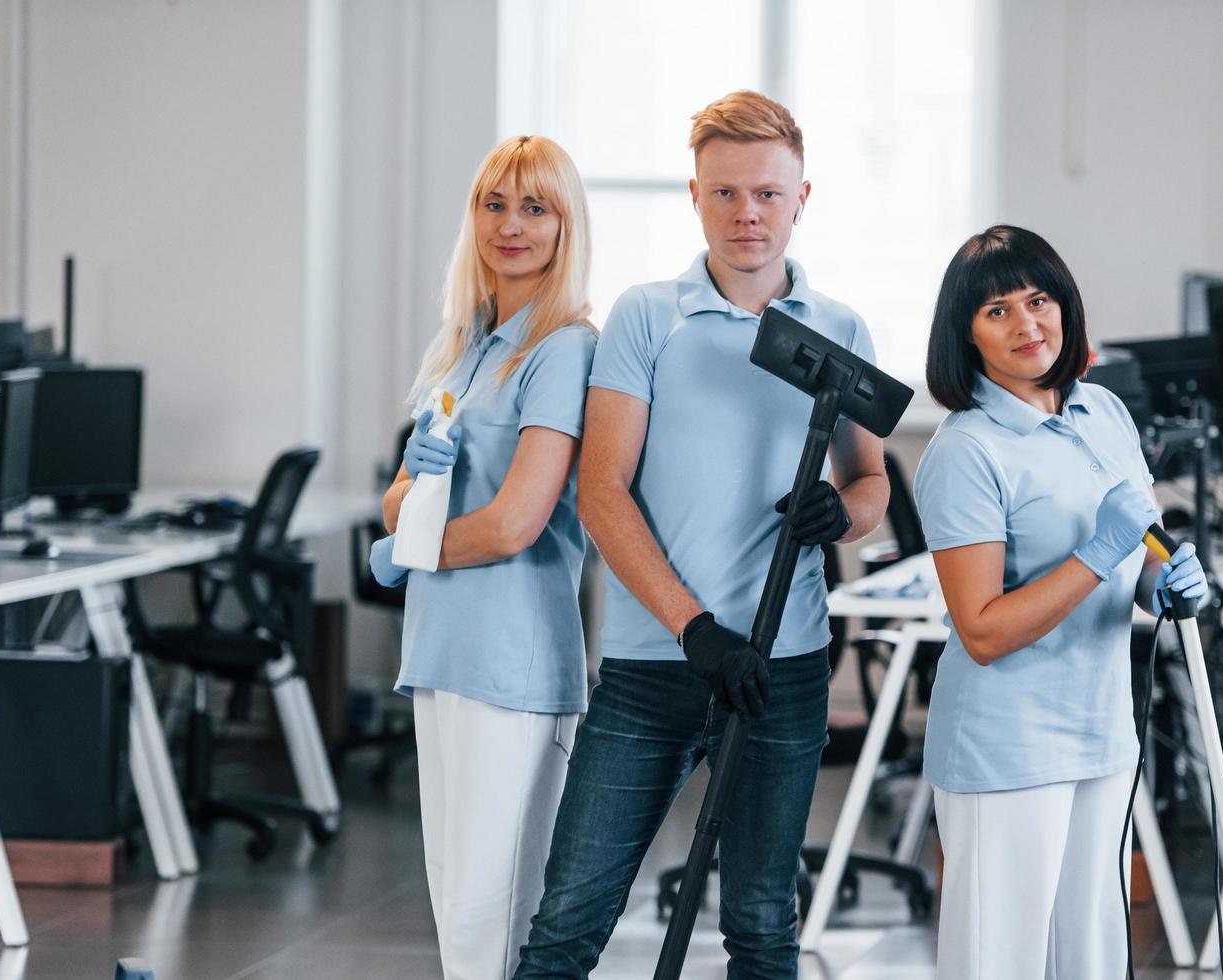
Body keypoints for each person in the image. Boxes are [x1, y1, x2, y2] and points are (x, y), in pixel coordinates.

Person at [514, 90, 889, 978]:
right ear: (694, 196)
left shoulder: (839, 330)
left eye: (766, 193)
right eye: (724, 193)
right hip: (652, 669)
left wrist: (847, 516)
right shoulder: (649, 316)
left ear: (803, 198)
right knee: (567, 922)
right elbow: (602, 493)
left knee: (762, 927)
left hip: (784, 670)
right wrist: (696, 629)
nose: (746, 213)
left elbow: (870, 481)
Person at [913, 224, 1209, 979]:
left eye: (1038, 299)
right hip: (1006, 745)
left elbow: (1140, 546)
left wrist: (1162, 581)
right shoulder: (966, 450)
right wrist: (1097, 555)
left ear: (1066, 305)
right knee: (999, 958)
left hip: (1101, 730)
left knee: (1093, 953)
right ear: (966, 335)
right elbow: (981, 630)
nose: (1027, 325)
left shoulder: (1103, 411)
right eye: (997, 311)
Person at [368, 134, 597, 980]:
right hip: (441, 653)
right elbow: (398, 494)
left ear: (565, 225)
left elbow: (514, 524)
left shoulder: (563, 349)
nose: (512, 226)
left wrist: (407, 549)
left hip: (513, 664)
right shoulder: (467, 345)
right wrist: (406, 511)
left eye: (535, 208)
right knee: (455, 902)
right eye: (495, 205)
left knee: (494, 910)